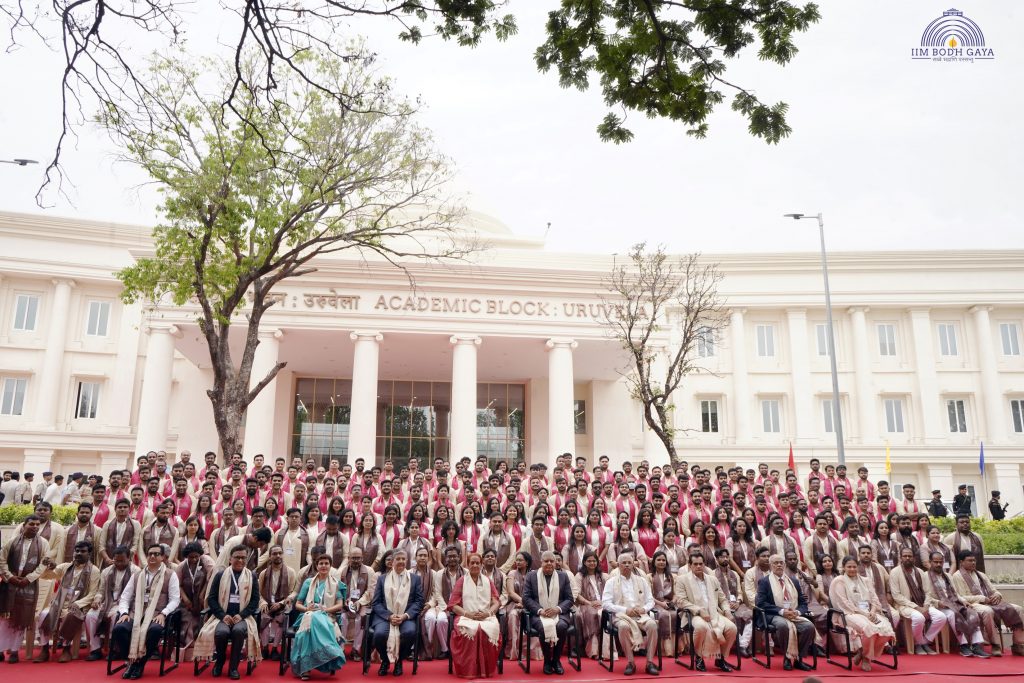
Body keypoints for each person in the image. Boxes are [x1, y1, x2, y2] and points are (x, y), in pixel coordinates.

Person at [111, 543, 181, 679]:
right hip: (135, 614)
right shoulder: (138, 575)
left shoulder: (170, 575)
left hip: (156, 614)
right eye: (150, 554)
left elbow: (175, 600)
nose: (152, 556)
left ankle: (140, 663)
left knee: (154, 630)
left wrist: (164, 613)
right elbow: (125, 597)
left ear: (163, 557)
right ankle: (131, 661)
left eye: (156, 554)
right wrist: (124, 613)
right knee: (119, 628)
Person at [35, 540, 101, 662]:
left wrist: (77, 604)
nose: (79, 553)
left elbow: (92, 593)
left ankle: (66, 649)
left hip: (80, 605)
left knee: (70, 615)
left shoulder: (94, 570)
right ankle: (44, 649)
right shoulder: (65, 566)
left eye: (83, 551)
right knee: (43, 614)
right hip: (60, 603)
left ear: (89, 554)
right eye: (77, 551)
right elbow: (45, 576)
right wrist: (47, 567)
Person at [828, 556, 895, 672]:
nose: (852, 569)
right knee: (868, 628)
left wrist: (873, 611)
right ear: (844, 568)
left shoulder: (865, 580)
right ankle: (866, 658)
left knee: (886, 629)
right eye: (849, 567)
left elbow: (874, 598)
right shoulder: (838, 581)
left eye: (854, 566)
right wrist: (863, 613)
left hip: (869, 613)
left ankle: (863, 652)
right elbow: (843, 603)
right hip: (847, 614)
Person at [953, 550, 1024, 657]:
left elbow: (994, 590)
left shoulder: (980, 574)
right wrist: (981, 598)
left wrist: (997, 595)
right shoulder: (957, 576)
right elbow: (961, 597)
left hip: (991, 602)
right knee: (988, 611)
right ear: (961, 562)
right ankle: (995, 644)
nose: (973, 563)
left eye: (974, 560)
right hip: (974, 604)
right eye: (970, 560)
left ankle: (1018, 644)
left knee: (1018, 608)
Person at [0, 514, 51, 662]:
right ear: (24, 525)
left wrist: (28, 579)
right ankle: (1, 650)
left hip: (29, 585)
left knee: (21, 618)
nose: (35, 526)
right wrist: (10, 577)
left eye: (37, 524)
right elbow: (2, 560)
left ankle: (15, 651)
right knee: (5, 619)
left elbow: (43, 564)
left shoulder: (43, 543)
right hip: (9, 585)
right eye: (32, 524)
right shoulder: (12, 541)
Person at [676, 552, 737, 672]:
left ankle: (720, 659)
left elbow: (722, 599)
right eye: (695, 564)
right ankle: (698, 657)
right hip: (694, 614)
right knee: (701, 627)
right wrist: (699, 610)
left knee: (732, 628)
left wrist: (727, 611)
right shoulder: (682, 580)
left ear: (704, 564)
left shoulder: (712, 579)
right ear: (690, 565)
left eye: (701, 564)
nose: (698, 566)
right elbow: (681, 601)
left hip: (715, 613)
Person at [291, 554, 347, 680]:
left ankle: (307, 668)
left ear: (330, 566)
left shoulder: (336, 583)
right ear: (316, 566)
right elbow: (298, 604)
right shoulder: (308, 582)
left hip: (327, 616)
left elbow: (339, 605)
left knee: (313, 621)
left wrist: (325, 609)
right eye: (321, 563)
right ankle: (326, 654)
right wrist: (307, 609)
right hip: (307, 616)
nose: (323, 566)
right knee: (311, 619)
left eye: (326, 563)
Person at [754, 553, 815, 671]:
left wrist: (797, 612)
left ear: (785, 565)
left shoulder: (794, 581)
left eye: (781, 563)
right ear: (771, 565)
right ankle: (787, 658)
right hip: (774, 614)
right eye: (776, 563)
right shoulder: (765, 581)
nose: (779, 565)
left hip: (793, 614)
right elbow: (761, 603)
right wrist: (782, 611)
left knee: (809, 626)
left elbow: (803, 603)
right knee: (783, 625)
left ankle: (798, 659)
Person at [601, 552, 659, 675]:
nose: (627, 565)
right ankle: (631, 662)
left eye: (629, 563)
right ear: (618, 565)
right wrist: (624, 610)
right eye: (624, 563)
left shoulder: (641, 580)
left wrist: (644, 609)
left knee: (653, 625)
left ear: (633, 565)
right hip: (621, 616)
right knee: (623, 627)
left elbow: (650, 601)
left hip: (640, 615)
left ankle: (649, 662)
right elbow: (605, 603)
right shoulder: (611, 582)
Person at [369, 549, 424, 676]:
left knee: (409, 633)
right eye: (398, 559)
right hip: (385, 617)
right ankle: (386, 660)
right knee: (378, 635)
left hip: (406, 617)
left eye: (403, 559)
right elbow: (376, 603)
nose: (401, 561)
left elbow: (419, 602)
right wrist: (389, 616)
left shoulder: (415, 579)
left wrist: (405, 616)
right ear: (392, 562)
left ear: (407, 561)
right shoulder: (382, 579)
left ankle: (399, 661)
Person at [448, 552, 502, 678]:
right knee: (473, 630)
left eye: (477, 563)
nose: (475, 565)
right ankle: (468, 670)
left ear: (481, 564)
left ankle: (485, 669)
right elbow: (453, 605)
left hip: (486, 616)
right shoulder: (462, 581)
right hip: (466, 616)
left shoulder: (488, 581)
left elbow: (496, 602)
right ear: (468, 564)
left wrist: (488, 613)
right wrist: (468, 614)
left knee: (484, 630)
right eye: (472, 563)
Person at [926, 551, 989, 657]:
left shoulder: (947, 576)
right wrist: (938, 602)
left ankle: (976, 644)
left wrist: (964, 601)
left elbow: (955, 593)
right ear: (930, 562)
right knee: (954, 614)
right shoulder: (925, 576)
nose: (938, 564)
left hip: (952, 604)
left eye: (940, 562)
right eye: (935, 562)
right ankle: (963, 645)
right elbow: (925, 596)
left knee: (971, 612)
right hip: (936, 606)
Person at [522, 550, 574, 675]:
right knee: (544, 627)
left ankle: (556, 661)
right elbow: (526, 598)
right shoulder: (531, 576)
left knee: (561, 626)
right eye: (546, 561)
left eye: (552, 561)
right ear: (541, 562)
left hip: (559, 613)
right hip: (538, 614)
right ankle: (547, 661)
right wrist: (540, 610)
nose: (549, 563)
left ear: (556, 563)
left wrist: (557, 609)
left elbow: (569, 599)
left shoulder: (563, 576)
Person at [85, 545, 139, 660]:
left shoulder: (136, 571)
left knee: (116, 616)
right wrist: (97, 600)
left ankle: (115, 649)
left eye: (122, 561)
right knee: (90, 615)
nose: (118, 563)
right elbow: (100, 591)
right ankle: (95, 649)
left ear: (129, 558)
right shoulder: (106, 571)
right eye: (116, 560)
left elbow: (136, 594)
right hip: (107, 603)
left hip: (126, 604)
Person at [258, 545, 298, 660]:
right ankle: (265, 648)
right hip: (267, 604)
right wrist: (263, 603)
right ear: (270, 557)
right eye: (275, 554)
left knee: (281, 619)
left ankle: (275, 649)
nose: (278, 556)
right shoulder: (263, 573)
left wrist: (281, 603)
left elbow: (293, 592)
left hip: (283, 605)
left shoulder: (290, 572)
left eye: (280, 553)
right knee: (264, 618)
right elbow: (259, 593)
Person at [175, 541, 214, 657]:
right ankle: (190, 650)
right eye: (191, 557)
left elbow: (211, 580)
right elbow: (177, 584)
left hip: (204, 600)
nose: (194, 559)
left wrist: (202, 594)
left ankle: (205, 650)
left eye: (196, 556)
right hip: (187, 601)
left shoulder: (207, 563)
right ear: (186, 556)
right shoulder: (181, 567)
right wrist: (185, 599)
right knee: (189, 622)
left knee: (204, 622)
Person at [337, 546, 376, 661]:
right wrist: (345, 600)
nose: (356, 560)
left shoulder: (369, 571)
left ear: (362, 558)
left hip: (363, 603)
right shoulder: (342, 571)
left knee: (361, 619)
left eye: (358, 558)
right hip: (345, 603)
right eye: (353, 558)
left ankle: (356, 649)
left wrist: (359, 602)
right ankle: (341, 648)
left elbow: (370, 591)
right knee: (342, 618)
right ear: (348, 558)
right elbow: (338, 590)